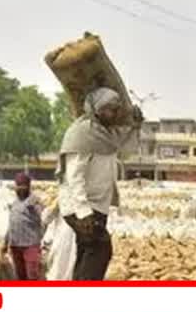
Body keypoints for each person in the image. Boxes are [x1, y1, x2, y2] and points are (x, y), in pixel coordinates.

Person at [57, 88, 141, 282]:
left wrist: (136, 126)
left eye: (115, 109)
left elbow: (128, 150)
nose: (112, 114)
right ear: (96, 109)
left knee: (87, 252)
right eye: (108, 109)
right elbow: (74, 177)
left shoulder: (106, 134)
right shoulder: (82, 133)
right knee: (101, 250)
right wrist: (83, 212)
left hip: (98, 206)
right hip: (81, 207)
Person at [2, 172, 44, 281]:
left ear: (28, 187)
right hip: (15, 245)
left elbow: (42, 218)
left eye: (23, 186)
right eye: (18, 186)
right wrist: (5, 242)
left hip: (30, 244)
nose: (20, 189)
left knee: (32, 274)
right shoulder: (15, 203)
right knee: (20, 275)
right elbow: (11, 224)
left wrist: (34, 208)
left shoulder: (34, 201)